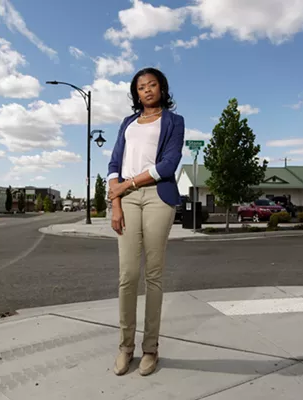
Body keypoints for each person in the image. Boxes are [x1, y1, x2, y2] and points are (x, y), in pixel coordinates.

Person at [107, 67, 185, 376]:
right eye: (141, 87)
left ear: (162, 89)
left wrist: (128, 185)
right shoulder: (127, 123)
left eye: (153, 85)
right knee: (127, 275)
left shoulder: (174, 121)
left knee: (153, 276)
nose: (147, 90)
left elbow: (168, 164)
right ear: (136, 93)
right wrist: (116, 202)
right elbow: (114, 163)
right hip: (126, 199)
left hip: (157, 197)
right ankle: (125, 347)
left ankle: (150, 348)